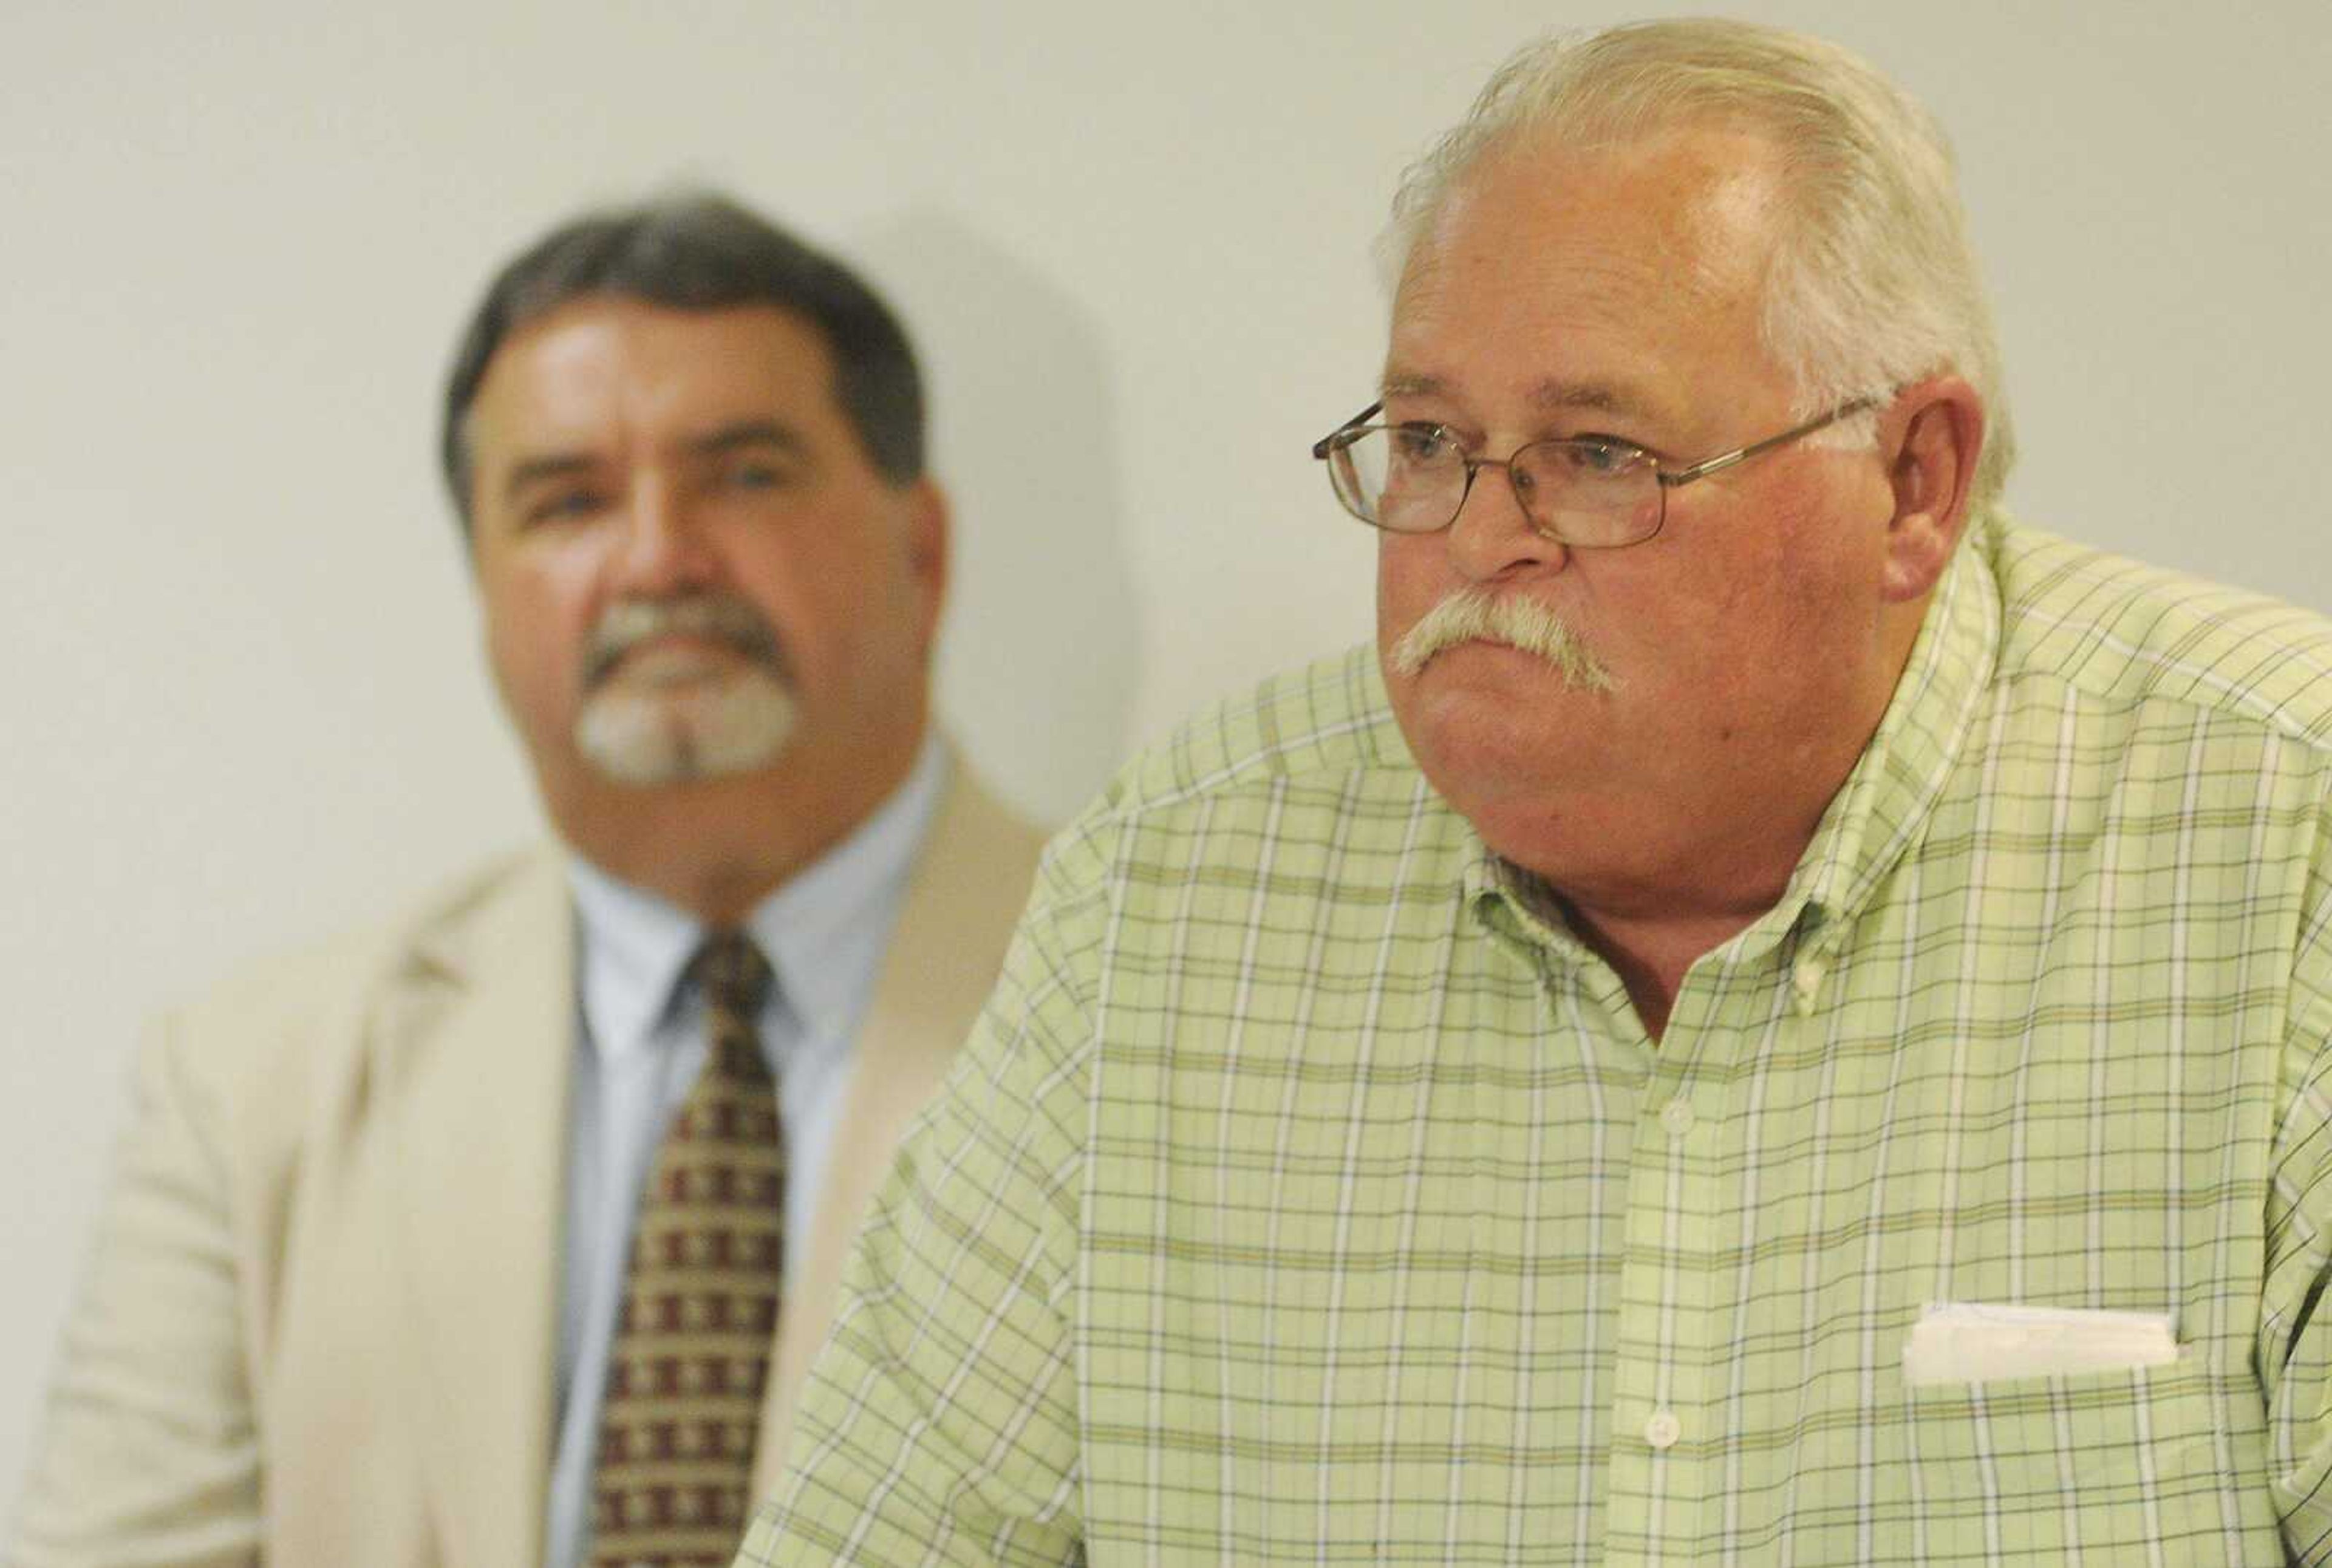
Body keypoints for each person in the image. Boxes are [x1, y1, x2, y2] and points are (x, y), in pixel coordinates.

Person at [737, 20, 2332, 1566]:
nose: (1480, 538)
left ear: (1913, 477)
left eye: (1600, 453)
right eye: (1429, 437)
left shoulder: (2279, 834)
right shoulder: (1175, 889)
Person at [12, 193, 1046, 1568]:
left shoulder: (1167, 1008)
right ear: (487, 598)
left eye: (744, 475)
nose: (657, 559)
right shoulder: (250, 1085)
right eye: (567, 501)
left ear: (922, 556)